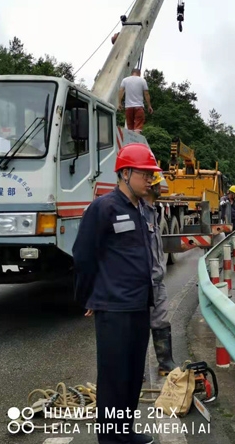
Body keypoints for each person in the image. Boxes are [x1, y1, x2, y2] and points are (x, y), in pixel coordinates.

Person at [72, 143, 161, 444]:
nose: (150, 180)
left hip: (138, 304)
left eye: (151, 174)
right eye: (144, 174)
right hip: (113, 308)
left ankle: (124, 431)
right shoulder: (104, 208)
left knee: (133, 375)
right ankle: (110, 439)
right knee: (113, 378)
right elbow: (83, 256)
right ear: (124, 173)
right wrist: (87, 297)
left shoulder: (141, 209)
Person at [142, 172, 179, 377]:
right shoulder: (139, 212)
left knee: (161, 321)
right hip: (144, 282)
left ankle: (166, 363)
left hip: (157, 279)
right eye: (158, 184)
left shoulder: (153, 211)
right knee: (138, 328)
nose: (161, 188)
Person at [118, 69, 153, 133]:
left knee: (130, 129)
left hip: (128, 107)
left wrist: (119, 103)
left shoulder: (125, 80)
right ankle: (136, 141)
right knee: (138, 128)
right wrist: (149, 106)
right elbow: (146, 94)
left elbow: (121, 91)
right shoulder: (142, 81)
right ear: (139, 73)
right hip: (139, 107)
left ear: (131, 73)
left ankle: (130, 141)